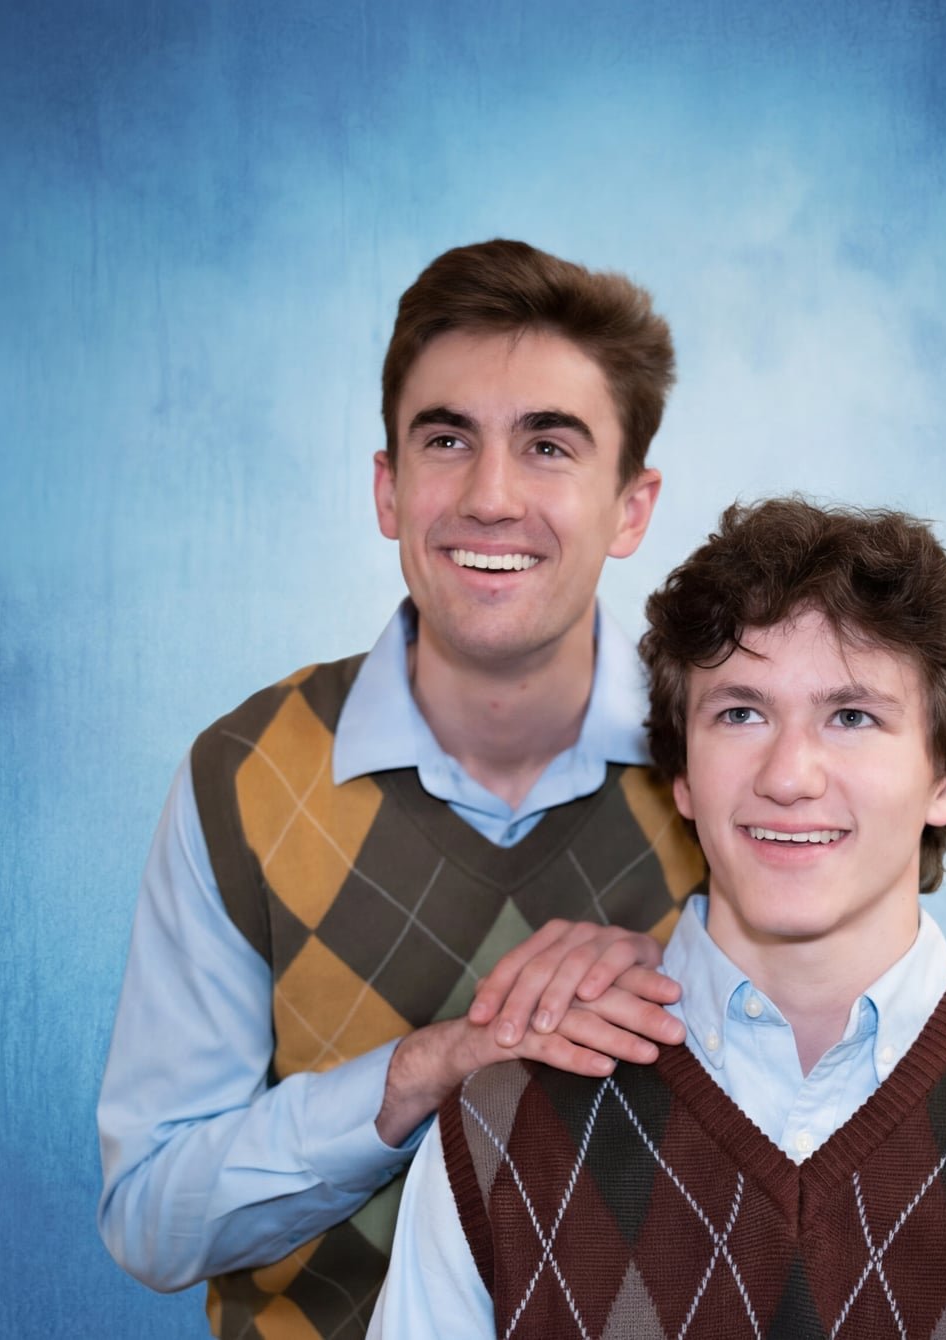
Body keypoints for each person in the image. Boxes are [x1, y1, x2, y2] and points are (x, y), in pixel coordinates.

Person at [371, 498, 946, 1338]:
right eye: (740, 713)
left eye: (852, 717)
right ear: (683, 775)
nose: (788, 776)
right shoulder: (501, 1128)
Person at [98, 240, 708, 1337]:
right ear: (389, 488)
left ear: (631, 507)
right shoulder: (245, 775)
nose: (490, 496)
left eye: (549, 446)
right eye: (447, 440)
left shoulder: (736, 766)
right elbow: (150, 1217)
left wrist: (692, 984)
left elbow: (836, 1110)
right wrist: (421, 1073)